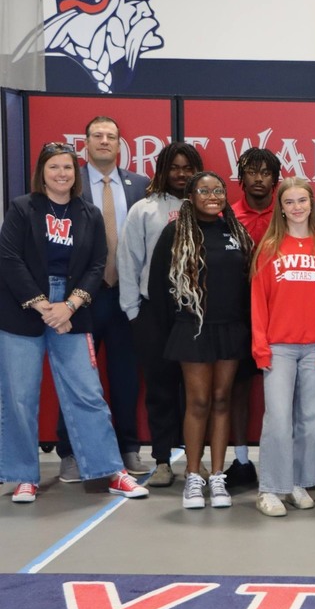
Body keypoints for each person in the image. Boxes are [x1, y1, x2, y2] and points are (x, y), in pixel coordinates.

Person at [0, 142, 149, 503]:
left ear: (75, 172)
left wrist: (68, 306)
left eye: (67, 167)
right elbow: (9, 258)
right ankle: (23, 476)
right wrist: (43, 306)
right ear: (42, 172)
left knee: (88, 394)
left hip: (73, 310)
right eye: (54, 168)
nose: (62, 174)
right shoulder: (22, 208)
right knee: (18, 398)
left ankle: (110, 471)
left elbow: (97, 264)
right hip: (24, 310)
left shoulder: (89, 213)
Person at [148, 171, 253, 509]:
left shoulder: (235, 231)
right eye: (204, 190)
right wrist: (172, 330)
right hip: (192, 328)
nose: (212, 195)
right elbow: (157, 288)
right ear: (190, 197)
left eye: (218, 190)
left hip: (230, 329)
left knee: (223, 400)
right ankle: (194, 476)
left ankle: (218, 476)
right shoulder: (175, 232)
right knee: (199, 402)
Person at [55, 115, 149, 484]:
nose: (105, 141)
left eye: (111, 136)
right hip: (81, 298)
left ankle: (128, 447)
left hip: (125, 296)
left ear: (120, 144)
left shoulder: (139, 185)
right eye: (98, 136)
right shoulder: (68, 184)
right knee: (76, 376)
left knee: (126, 377)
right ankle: (71, 452)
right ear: (86, 143)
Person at [251, 178, 315, 517]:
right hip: (279, 347)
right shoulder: (270, 246)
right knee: (277, 419)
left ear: (311, 204)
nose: (297, 207)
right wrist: (261, 346)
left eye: (302, 200)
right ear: (281, 207)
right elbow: (258, 301)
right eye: (290, 202)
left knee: (311, 419)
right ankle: (271, 487)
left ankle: (299, 482)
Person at [118, 141, 204, 487]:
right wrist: (133, 312)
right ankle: (164, 460)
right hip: (153, 312)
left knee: (197, 392)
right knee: (160, 388)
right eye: (175, 167)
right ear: (163, 171)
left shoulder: (207, 208)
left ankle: (198, 463)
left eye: (188, 167)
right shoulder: (144, 209)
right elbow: (128, 260)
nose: (181, 174)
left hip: (196, 312)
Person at [225, 147, 282, 487]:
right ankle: (242, 461)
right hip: (239, 315)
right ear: (241, 177)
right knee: (238, 389)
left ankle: (283, 462)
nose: (259, 179)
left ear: (276, 179)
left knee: (284, 394)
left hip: (283, 316)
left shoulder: (288, 213)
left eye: (265, 173)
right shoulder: (227, 216)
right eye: (252, 172)